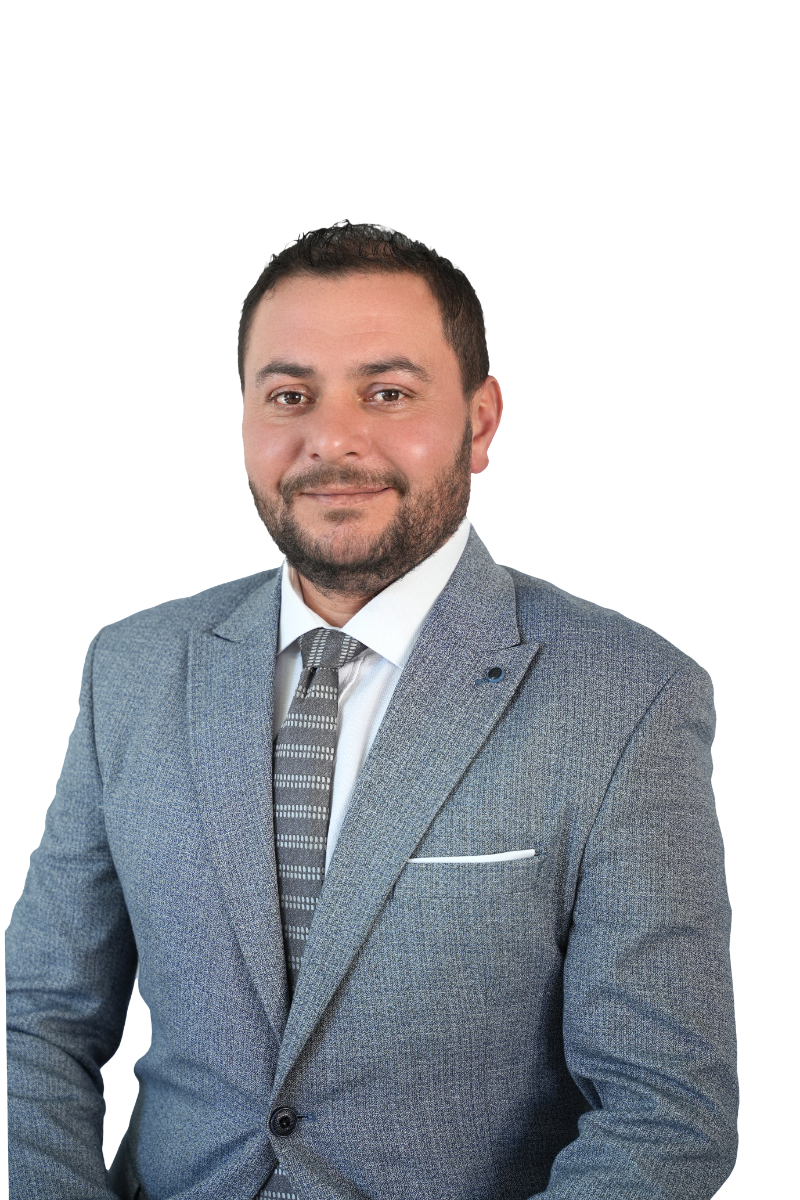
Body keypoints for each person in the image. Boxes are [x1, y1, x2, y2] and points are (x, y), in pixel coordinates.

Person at [5, 222, 737, 1200]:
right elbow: (35, 1020)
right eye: (289, 396)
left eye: (387, 393)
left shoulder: (626, 697)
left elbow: (665, 1111)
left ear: (480, 423)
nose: (331, 439)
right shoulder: (133, 669)